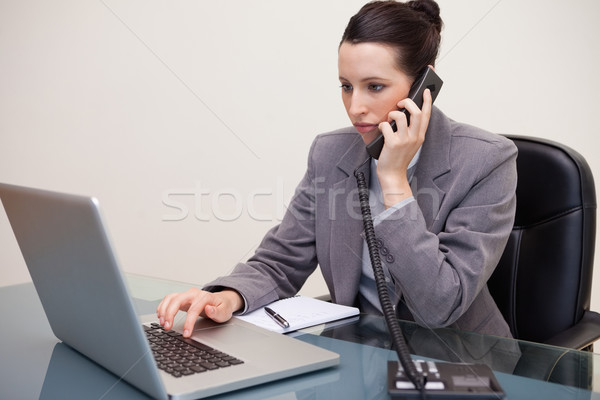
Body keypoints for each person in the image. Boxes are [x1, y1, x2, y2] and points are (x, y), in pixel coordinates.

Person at [157, 0, 517, 339]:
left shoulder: (487, 160)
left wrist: (393, 181)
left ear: (424, 86)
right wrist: (227, 296)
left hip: (459, 367)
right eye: (346, 87)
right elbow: (281, 260)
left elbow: (441, 305)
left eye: (374, 86)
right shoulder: (331, 153)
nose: (355, 107)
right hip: (358, 354)